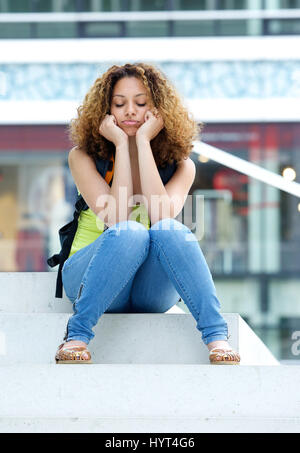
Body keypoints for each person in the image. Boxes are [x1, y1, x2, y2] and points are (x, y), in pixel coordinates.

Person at [55, 63, 240, 365]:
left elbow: (162, 214)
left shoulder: (183, 165)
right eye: (119, 104)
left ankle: (217, 337)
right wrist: (120, 144)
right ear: (105, 110)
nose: (130, 111)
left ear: (158, 111)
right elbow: (118, 219)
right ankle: (76, 336)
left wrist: (141, 144)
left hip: (148, 291)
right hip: (90, 277)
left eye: (141, 103)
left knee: (171, 229)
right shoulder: (82, 156)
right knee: (130, 232)